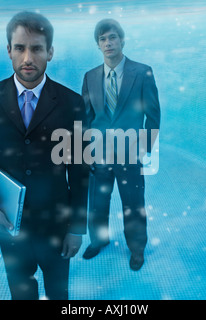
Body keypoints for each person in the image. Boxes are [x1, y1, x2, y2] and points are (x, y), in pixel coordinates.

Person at [0, 11, 89, 300]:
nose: (27, 57)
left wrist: (77, 228)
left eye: (37, 48)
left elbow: (80, 170)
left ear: (50, 52)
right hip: (8, 225)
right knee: (21, 295)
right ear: (9, 51)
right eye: (19, 48)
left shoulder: (73, 104)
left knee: (59, 294)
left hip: (57, 224)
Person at [81, 19, 161, 271]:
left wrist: (144, 149)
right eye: (103, 39)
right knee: (97, 203)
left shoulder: (142, 72)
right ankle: (98, 240)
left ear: (122, 40)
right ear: (98, 45)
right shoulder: (90, 77)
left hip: (129, 154)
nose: (108, 42)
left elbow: (153, 115)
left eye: (112, 37)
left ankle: (137, 249)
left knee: (133, 204)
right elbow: (85, 118)